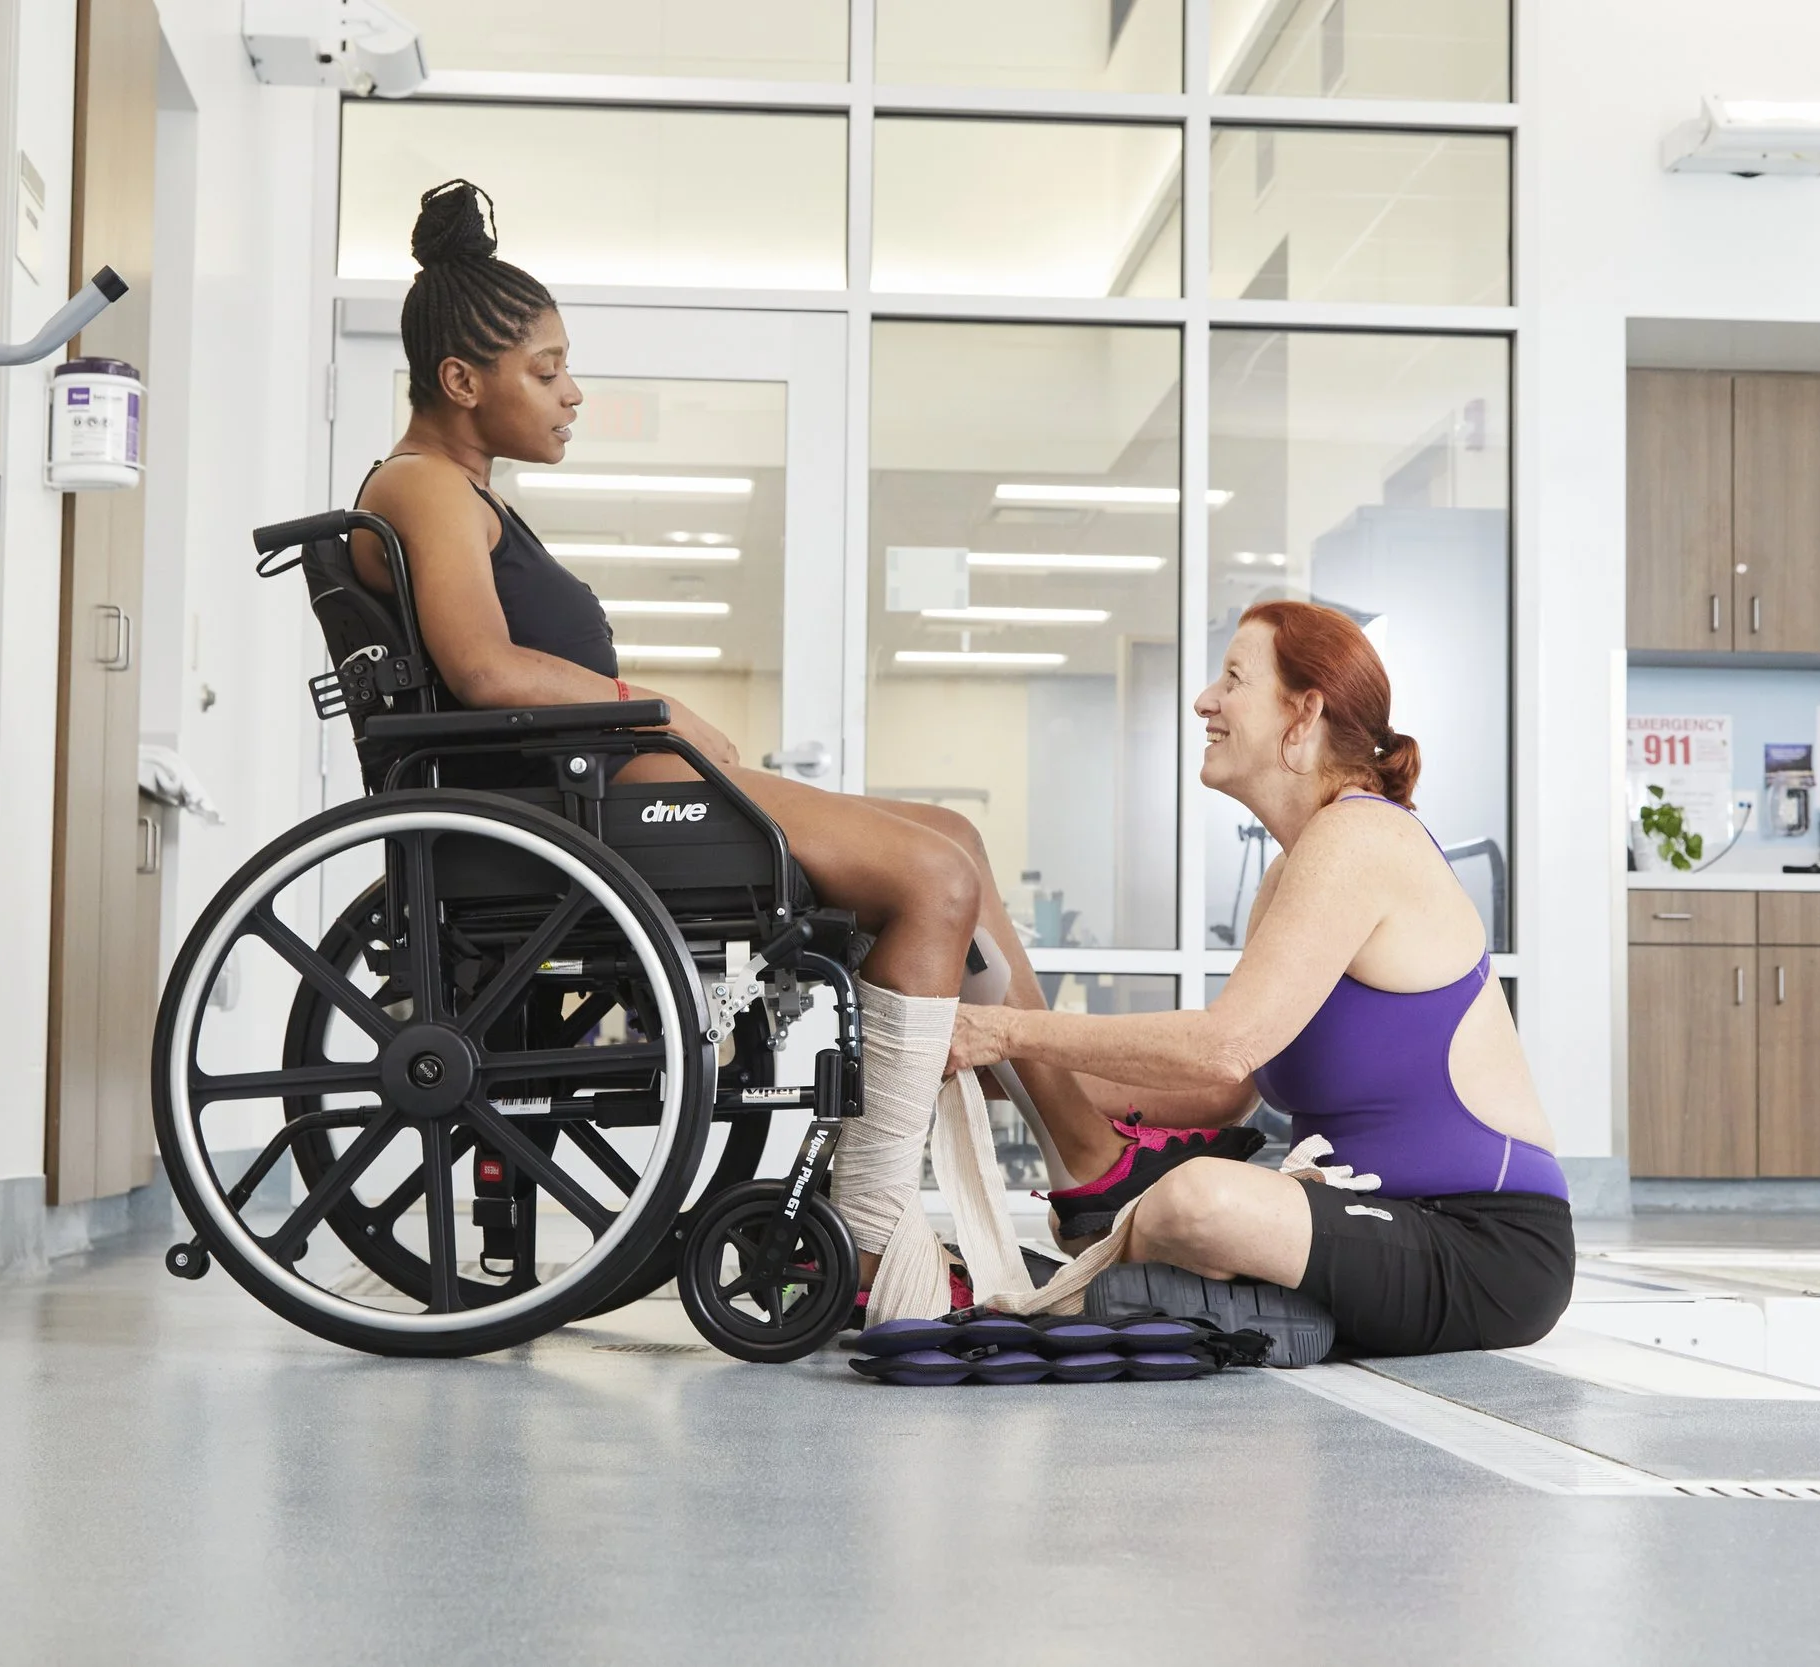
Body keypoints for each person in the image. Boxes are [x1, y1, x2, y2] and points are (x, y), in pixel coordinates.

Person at [346, 179, 1105, 1291]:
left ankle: (1086, 1153)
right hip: (573, 816)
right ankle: (881, 1226)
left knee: (948, 835)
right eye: (546, 371)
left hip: (598, 798)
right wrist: (652, 705)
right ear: (462, 382)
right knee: (934, 877)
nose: (573, 395)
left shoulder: (463, 496)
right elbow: (485, 669)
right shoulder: (421, 488)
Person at [951, 601, 1574, 1355]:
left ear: (1302, 714)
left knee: (1197, 1201)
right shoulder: (1292, 866)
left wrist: (1011, 1029)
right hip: (1371, 1223)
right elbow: (1217, 1093)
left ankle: (1183, 1296)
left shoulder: (1361, 834)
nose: (1204, 700)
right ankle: (1187, 1292)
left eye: (1234, 679)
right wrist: (1013, 1072)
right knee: (1152, 1206)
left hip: (1483, 1244)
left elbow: (1223, 1046)